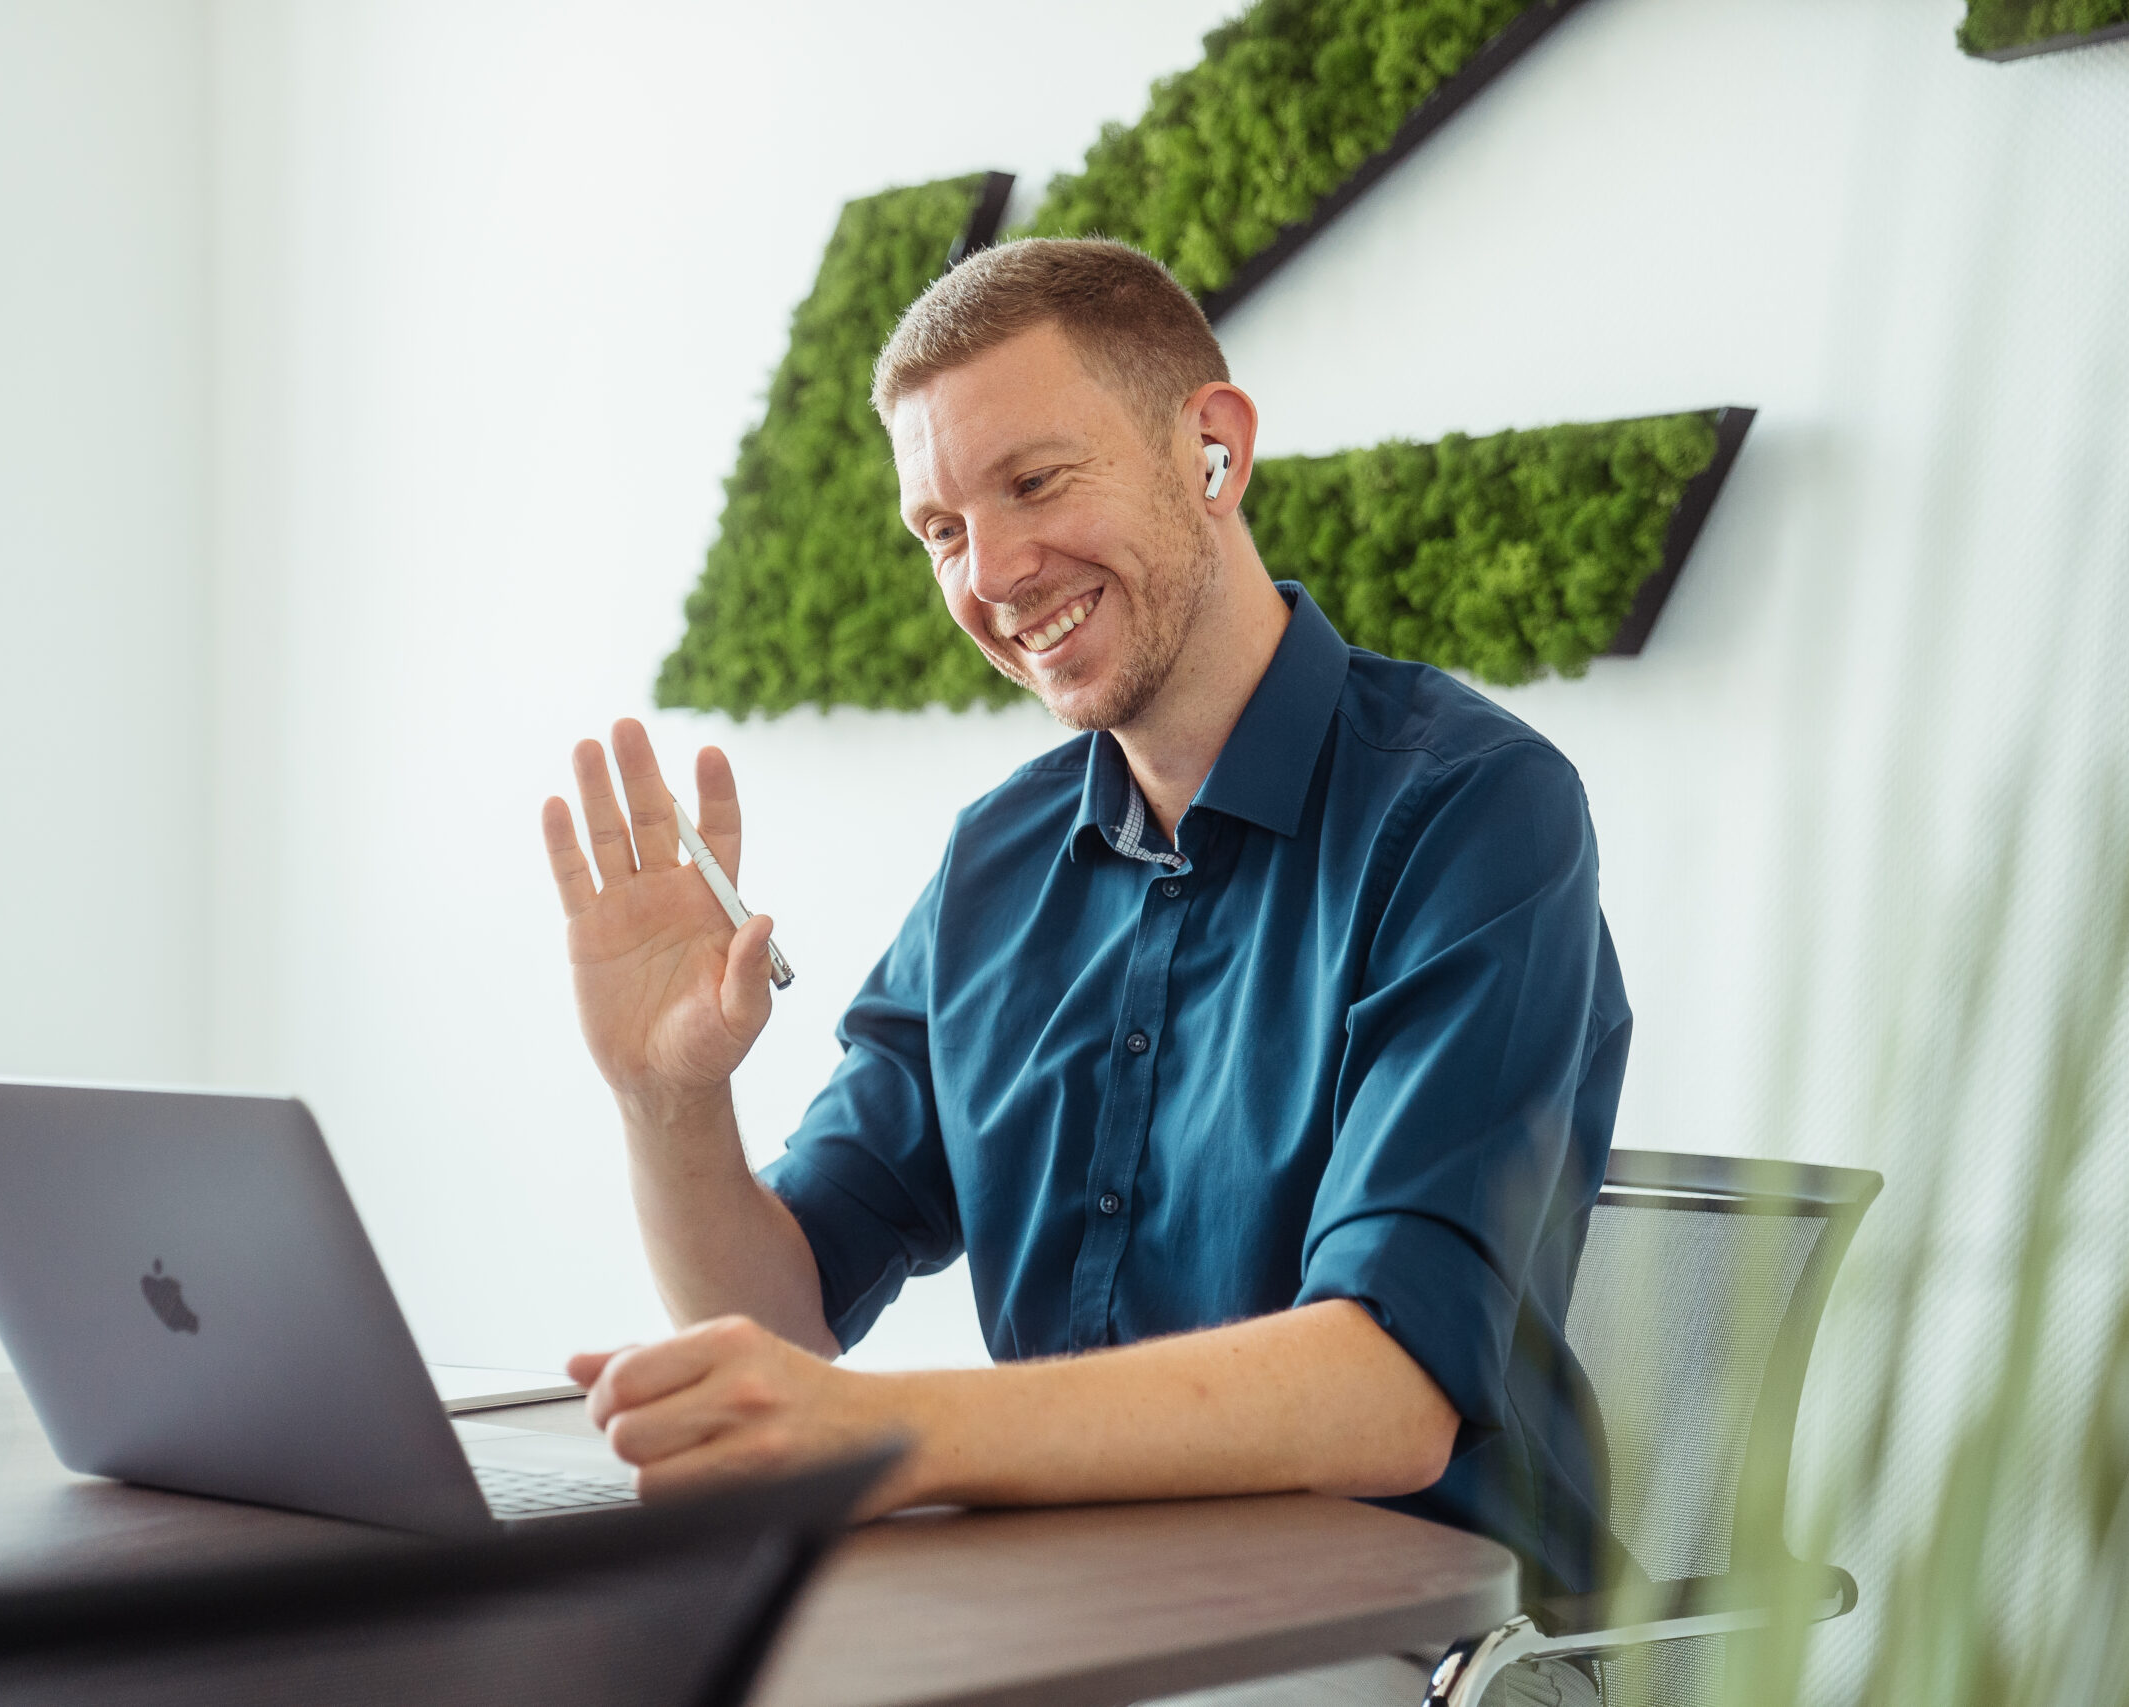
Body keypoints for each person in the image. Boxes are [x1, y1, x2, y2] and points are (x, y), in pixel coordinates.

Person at [542, 239, 1627, 1705]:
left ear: (1213, 451)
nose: (990, 576)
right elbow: (785, 1319)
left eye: (1035, 484)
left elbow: (1388, 1397)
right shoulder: (997, 862)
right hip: (1079, 1609)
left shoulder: (1475, 813)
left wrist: (880, 1437)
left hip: (1405, 1644)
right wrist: (666, 1102)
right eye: (939, 531)